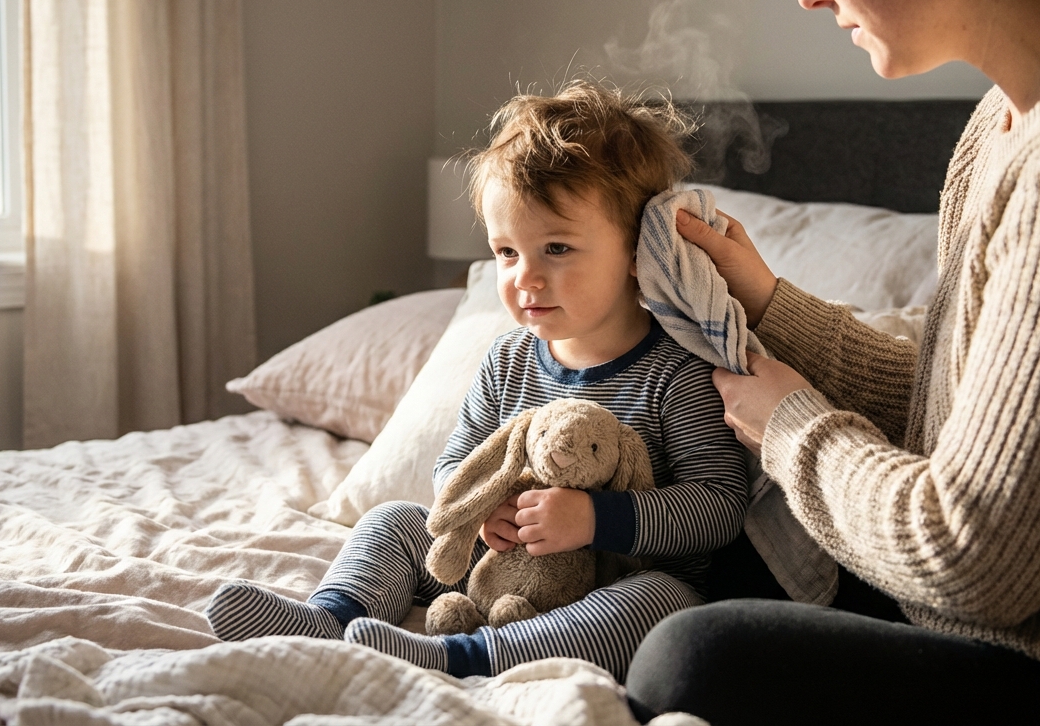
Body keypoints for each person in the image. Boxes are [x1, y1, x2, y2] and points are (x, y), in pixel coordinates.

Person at [625, 0, 1040, 725]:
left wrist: (791, 428)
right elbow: (978, 409)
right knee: (721, 558)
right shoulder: (1005, 119)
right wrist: (772, 308)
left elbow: (974, 557)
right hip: (989, 631)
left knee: (691, 662)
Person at [204, 80, 749, 680]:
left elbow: (719, 506)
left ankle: (460, 657)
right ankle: (331, 620)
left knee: (661, 606)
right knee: (394, 521)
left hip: (616, 575)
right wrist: (480, 509)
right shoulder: (507, 361)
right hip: (503, 564)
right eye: (507, 252)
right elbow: (457, 465)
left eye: (558, 248)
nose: (525, 278)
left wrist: (597, 518)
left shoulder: (676, 371)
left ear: (640, 250)